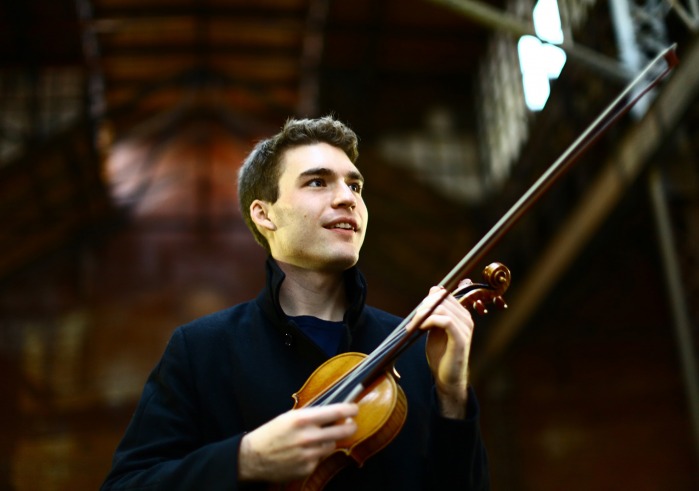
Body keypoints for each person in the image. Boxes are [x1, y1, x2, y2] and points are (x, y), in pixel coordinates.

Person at [101, 116, 490, 490]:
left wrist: (452, 395)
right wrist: (243, 458)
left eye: (355, 186)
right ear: (264, 214)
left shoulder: (413, 346)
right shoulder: (201, 349)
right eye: (318, 182)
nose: (346, 199)